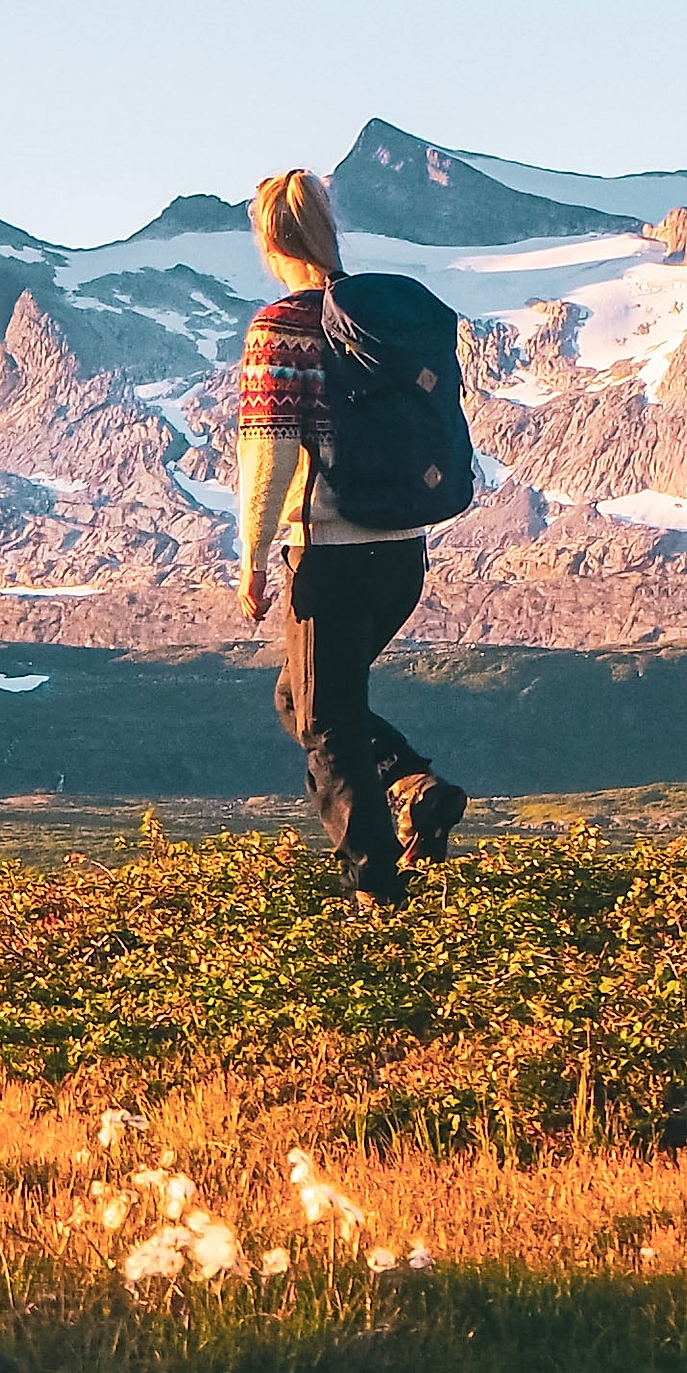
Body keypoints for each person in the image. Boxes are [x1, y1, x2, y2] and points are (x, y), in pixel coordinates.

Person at [233, 167, 467, 906]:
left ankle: (377, 895)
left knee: (325, 730)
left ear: (272, 241)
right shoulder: (376, 320)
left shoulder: (280, 327)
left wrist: (251, 561)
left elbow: (267, 455)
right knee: (301, 700)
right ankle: (413, 785)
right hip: (401, 551)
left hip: (327, 556)